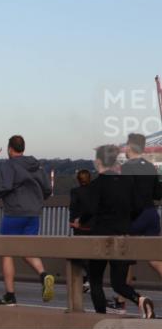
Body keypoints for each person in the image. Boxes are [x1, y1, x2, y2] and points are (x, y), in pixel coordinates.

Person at [85, 144, 154, 318]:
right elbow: (138, 207)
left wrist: (81, 221)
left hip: (100, 237)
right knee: (118, 283)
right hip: (123, 235)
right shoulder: (128, 182)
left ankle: (100, 317)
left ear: (98, 161)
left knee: (95, 281)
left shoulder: (96, 185)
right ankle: (140, 299)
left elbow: (89, 210)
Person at [0, 135, 54, 306]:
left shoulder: (9, 165)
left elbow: (6, 186)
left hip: (14, 213)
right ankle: (44, 274)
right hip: (33, 214)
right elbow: (47, 188)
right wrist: (39, 199)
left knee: (7, 253)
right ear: (23, 148)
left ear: (10, 148)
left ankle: (10, 295)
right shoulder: (36, 165)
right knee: (27, 250)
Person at [117, 132, 162, 311]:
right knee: (154, 258)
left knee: (125, 257)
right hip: (152, 213)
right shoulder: (151, 167)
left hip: (137, 215)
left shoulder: (127, 168)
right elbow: (158, 194)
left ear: (131, 147)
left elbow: (126, 197)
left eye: (127, 146)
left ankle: (121, 300)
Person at [68, 169, 94, 294]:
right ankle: (89, 279)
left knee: (80, 255)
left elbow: (73, 207)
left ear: (78, 179)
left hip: (81, 227)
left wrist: (72, 221)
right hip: (95, 227)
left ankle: (88, 279)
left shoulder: (75, 192)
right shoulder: (96, 191)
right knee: (92, 254)